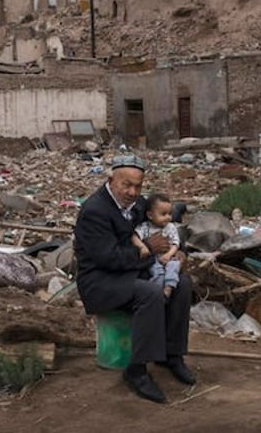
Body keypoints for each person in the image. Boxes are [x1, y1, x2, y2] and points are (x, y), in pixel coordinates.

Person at [74, 154, 195, 403]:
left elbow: (162, 230)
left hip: (132, 271)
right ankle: (137, 370)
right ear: (111, 180)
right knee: (149, 293)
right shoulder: (94, 211)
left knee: (182, 284)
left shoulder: (140, 206)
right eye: (125, 185)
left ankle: (171, 355)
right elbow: (109, 259)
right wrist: (149, 249)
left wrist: (178, 253)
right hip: (100, 281)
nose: (132, 191)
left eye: (137, 186)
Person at [132, 193, 181, 300]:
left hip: (167, 256)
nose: (168, 217)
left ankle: (169, 287)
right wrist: (142, 247)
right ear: (150, 215)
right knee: (157, 272)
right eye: (163, 214)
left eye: (170, 213)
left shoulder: (170, 227)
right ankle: (158, 294)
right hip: (153, 258)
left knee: (174, 266)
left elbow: (175, 243)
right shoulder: (145, 227)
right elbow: (134, 237)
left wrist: (169, 255)